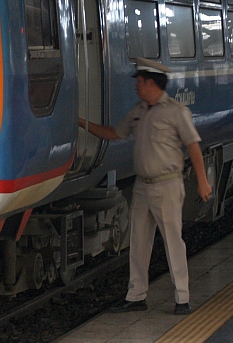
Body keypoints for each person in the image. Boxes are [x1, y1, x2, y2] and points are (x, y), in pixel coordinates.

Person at [79, 57, 212, 316]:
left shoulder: (176, 111)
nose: (136, 86)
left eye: (140, 82)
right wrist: (82, 124)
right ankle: (136, 295)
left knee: (173, 241)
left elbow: (193, 146)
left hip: (168, 185)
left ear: (152, 83)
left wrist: (203, 181)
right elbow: (114, 133)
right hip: (142, 186)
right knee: (139, 241)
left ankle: (182, 298)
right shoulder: (138, 110)